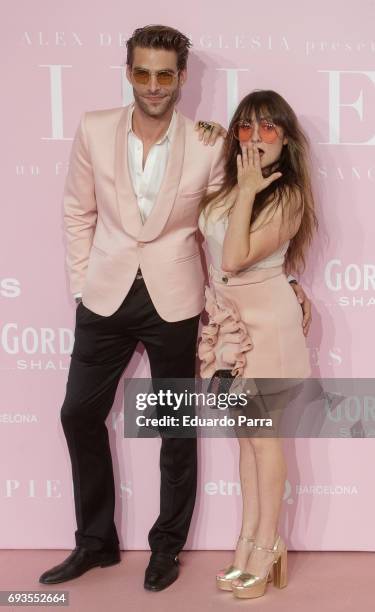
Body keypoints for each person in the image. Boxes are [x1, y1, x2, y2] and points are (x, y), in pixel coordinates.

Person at [38, 23, 311, 592]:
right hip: (105, 296)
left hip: (177, 300)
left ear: (183, 77)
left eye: (166, 74)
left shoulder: (210, 141)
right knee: (77, 413)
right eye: (143, 72)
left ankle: (167, 547)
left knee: (174, 428)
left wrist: (284, 281)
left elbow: (230, 216)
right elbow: (75, 211)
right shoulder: (94, 128)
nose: (154, 85)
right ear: (129, 72)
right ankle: (96, 543)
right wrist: (83, 285)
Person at [198, 90, 317, 599]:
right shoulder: (226, 188)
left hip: (268, 324)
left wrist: (248, 189)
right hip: (232, 323)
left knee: (265, 443)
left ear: (286, 138)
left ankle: (268, 546)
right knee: (246, 443)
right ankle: (246, 540)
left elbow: (236, 256)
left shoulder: (287, 194)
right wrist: (209, 138)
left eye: (269, 127)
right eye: (246, 127)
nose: (256, 137)